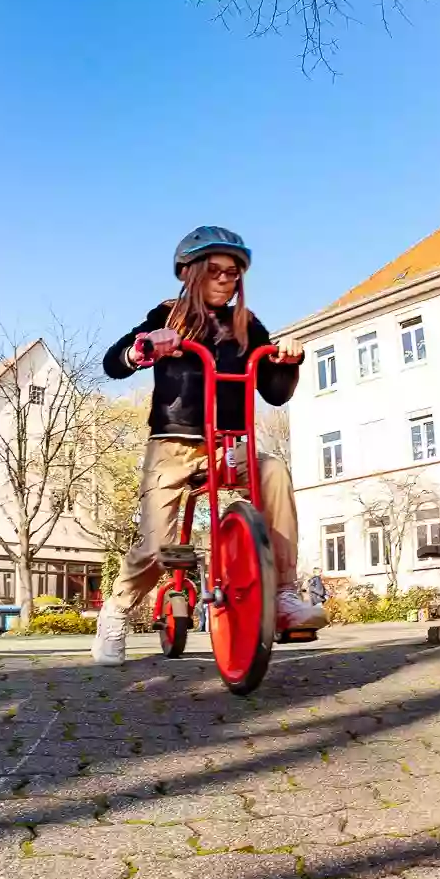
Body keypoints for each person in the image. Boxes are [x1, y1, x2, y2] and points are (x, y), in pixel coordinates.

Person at [91, 226, 324, 665]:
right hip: (173, 445)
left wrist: (287, 360)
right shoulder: (168, 315)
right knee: (159, 547)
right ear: (191, 273)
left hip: (228, 444)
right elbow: (114, 362)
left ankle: (285, 595)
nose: (224, 280)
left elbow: (274, 392)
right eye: (214, 271)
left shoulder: (247, 325)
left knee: (273, 471)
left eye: (233, 274)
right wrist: (146, 347)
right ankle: (116, 611)